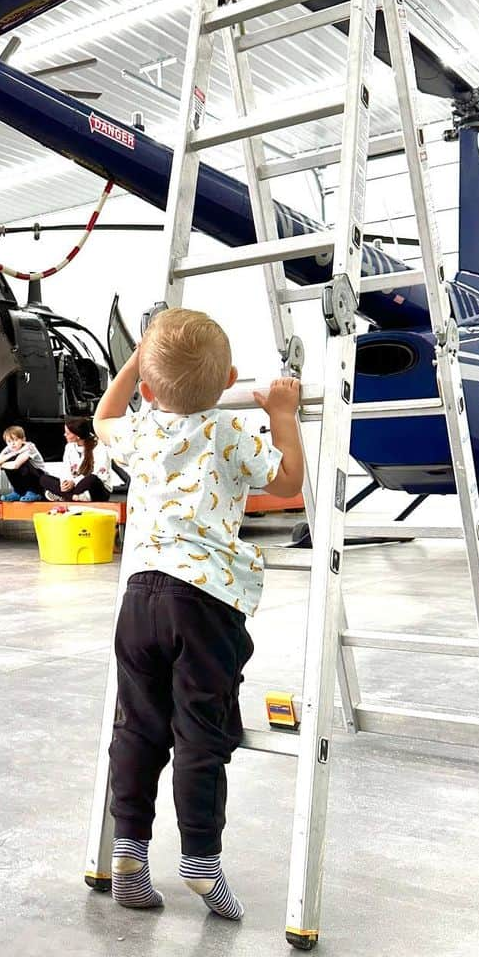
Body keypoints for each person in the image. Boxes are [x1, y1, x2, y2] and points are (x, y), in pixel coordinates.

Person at [93, 307, 303, 919]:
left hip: (139, 598)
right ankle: (201, 862)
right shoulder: (233, 432)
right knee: (201, 732)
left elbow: (105, 416)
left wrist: (136, 362)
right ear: (231, 377)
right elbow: (289, 483)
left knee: (137, 727)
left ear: (150, 387)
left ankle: (129, 851)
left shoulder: (142, 429)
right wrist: (282, 415)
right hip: (205, 602)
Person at [40, 416, 113, 502]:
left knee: (92, 479)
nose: (65, 435)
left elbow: (100, 474)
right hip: (74, 488)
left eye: (68, 433)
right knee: (44, 479)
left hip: (95, 490)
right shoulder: (69, 447)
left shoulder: (99, 447)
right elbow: (65, 469)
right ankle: (72, 497)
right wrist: (64, 483)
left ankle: (65, 497)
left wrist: (74, 482)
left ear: (77, 436)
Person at [0, 425, 46, 501]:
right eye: (9, 441)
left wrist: (1, 464)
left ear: (23, 439)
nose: (12, 443)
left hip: (39, 477)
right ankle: (18, 492)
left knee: (22, 464)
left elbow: (16, 465)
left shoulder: (29, 446)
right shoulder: (9, 448)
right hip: (24, 476)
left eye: (16, 440)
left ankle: (34, 492)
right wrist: (13, 453)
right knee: (8, 461)